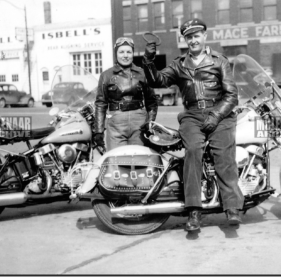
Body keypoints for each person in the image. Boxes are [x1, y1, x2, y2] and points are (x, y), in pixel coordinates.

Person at [142, 18, 245, 231]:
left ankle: (232, 207)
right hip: (192, 115)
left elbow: (232, 95)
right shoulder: (179, 64)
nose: (193, 40)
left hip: (220, 113)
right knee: (192, 152)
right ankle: (194, 210)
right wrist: (149, 59)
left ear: (205, 36)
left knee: (223, 155)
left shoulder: (219, 61)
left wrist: (216, 116)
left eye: (196, 36)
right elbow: (157, 81)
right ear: (185, 40)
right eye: (189, 37)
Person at [93, 37, 158, 151]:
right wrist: (98, 131)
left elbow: (152, 101)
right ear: (116, 54)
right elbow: (101, 103)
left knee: (139, 159)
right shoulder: (106, 75)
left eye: (129, 52)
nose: (125, 55)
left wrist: (150, 123)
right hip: (115, 123)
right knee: (116, 160)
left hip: (139, 123)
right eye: (121, 52)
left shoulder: (142, 73)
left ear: (133, 53)